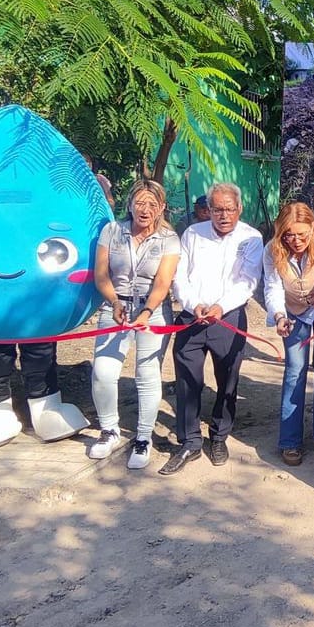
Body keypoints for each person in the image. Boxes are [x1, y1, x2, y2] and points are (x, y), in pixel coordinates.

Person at [165, 182, 262, 475]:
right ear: (208, 209)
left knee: (227, 379)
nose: (223, 215)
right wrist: (194, 304)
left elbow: (247, 280)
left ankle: (219, 436)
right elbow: (180, 275)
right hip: (191, 317)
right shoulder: (193, 234)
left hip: (228, 317)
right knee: (187, 380)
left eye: (229, 209)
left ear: (239, 209)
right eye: (217, 209)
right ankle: (190, 441)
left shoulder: (251, 238)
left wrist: (221, 306)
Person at [88, 180, 180, 469]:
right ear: (130, 204)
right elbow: (101, 275)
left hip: (152, 310)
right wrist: (115, 303)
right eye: (140, 202)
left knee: (147, 374)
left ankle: (143, 438)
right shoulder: (112, 231)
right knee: (103, 370)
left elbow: (163, 281)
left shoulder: (169, 238)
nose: (146, 209)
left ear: (162, 208)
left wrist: (147, 310)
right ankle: (109, 430)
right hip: (115, 305)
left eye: (153, 204)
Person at [263, 201, 314, 466]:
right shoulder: (272, 251)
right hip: (292, 311)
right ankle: (290, 440)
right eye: (289, 235)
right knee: (295, 370)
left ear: (312, 228)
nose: (295, 241)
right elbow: (272, 289)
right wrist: (279, 316)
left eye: (302, 234)